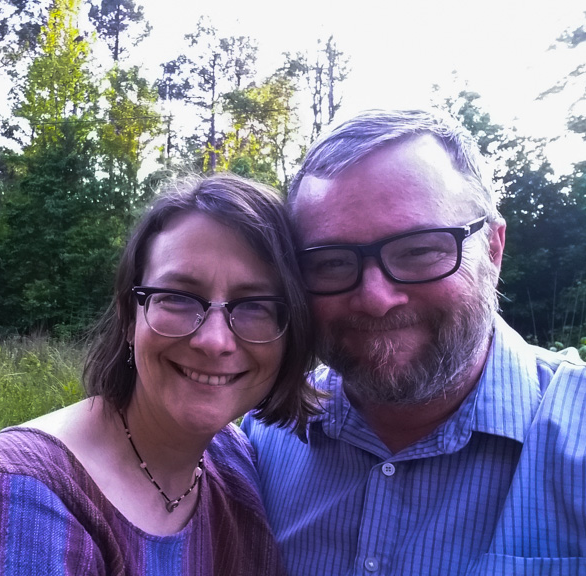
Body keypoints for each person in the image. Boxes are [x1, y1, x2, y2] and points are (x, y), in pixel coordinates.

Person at [0, 174, 317, 575]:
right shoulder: (11, 507)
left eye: (255, 305)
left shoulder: (232, 459)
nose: (214, 341)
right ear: (127, 315)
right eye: (177, 297)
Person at [242, 108, 586, 575]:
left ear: (494, 249)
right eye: (332, 262)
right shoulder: (260, 439)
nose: (376, 299)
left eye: (421, 250)